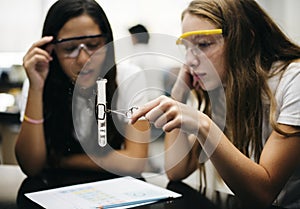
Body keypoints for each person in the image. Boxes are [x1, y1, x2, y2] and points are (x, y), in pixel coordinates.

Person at [130, 0, 300, 208]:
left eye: (203, 44)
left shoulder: (294, 80)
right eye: (187, 48)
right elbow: (177, 170)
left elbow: (263, 193)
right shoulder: (225, 87)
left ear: (245, 40)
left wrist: (203, 124)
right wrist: (178, 95)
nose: (190, 60)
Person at [15, 0, 150, 208]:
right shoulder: (38, 82)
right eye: (69, 49)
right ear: (50, 50)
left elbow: (135, 162)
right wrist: (35, 87)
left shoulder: (129, 77)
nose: (84, 59)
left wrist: (61, 161)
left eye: (94, 45)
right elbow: (31, 166)